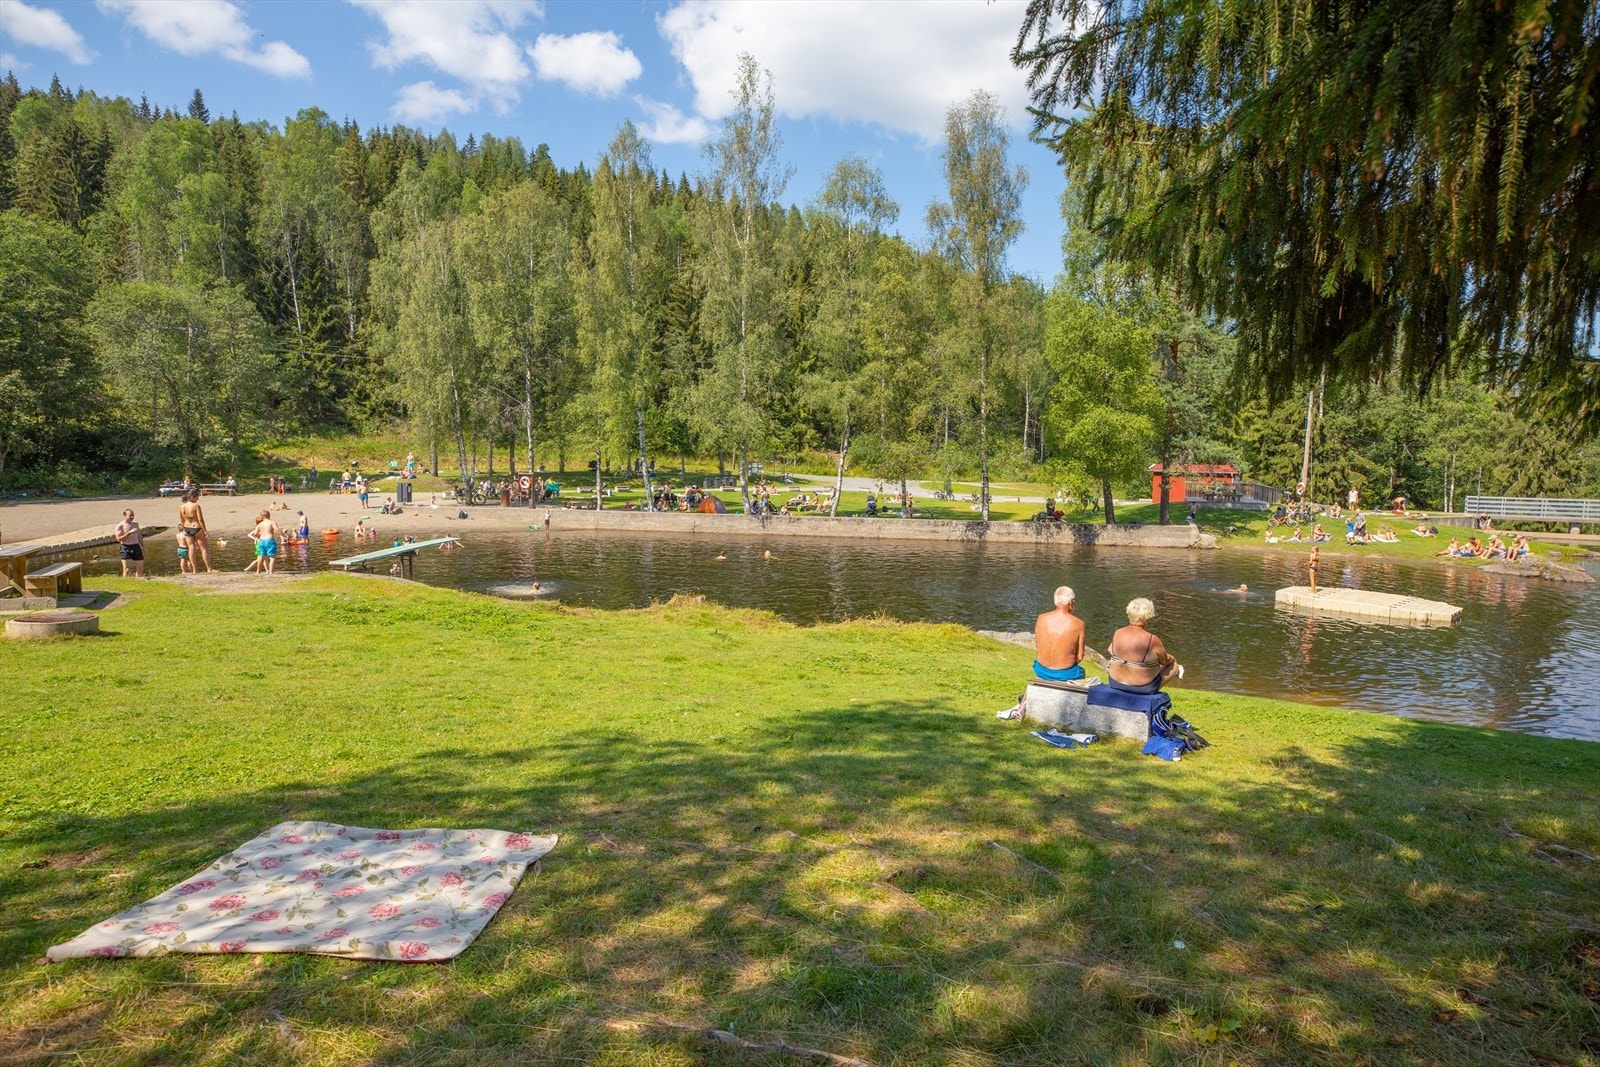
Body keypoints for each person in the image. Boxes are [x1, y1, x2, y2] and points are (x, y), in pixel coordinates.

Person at [1106, 598, 1182, 694]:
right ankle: (1149, 695)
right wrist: (1172, 658)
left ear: (1129, 613)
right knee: (1174, 665)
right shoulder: (1152, 639)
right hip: (1142, 688)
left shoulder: (1118, 633)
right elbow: (1165, 661)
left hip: (1115, 683)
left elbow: (1110, 650)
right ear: (1147, 618)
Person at [1033, 585, 1086, 682]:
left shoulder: (1041, 618)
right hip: (1066, 673)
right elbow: (1079, 657)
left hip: (1041, 670)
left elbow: (1038, 647)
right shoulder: (1079, 624)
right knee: (1081, 671)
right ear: (1070, 602)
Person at [177, 489, 213, 572]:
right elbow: (200, 519)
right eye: (197, 497)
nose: (198, 499)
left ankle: (195, 570)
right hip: (196, 527)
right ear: (192, 497)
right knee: (204, 549)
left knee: (191, 548)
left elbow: (182, 520)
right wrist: (205, 531)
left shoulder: (182, 507)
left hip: (186, 528)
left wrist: (185, 527)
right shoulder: (196, 506)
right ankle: (209, 568)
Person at [246, 510, 282, 574]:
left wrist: (258, 538)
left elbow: (255, 534)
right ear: (268, 515)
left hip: (262, 541)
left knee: (261, 557)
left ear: (262, 516)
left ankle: (258, 571)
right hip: (269, 540)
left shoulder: (260, 524)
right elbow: (277, 530)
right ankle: (271, 572)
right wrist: (284, 535)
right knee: (272, 558)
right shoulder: (271, 522)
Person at [113, 509, 145, 577]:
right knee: (126, 569)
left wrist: (143, 547)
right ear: (124, 515)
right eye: (130, 515)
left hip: (136, 546)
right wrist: (129, 533)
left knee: (140, 568)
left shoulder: (135, 524)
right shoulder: (120, 526)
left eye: (133, 515)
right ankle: (125, 583)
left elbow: (139, 536)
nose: (132, 517)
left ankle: (139, 582)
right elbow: (119, 539)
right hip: (126, 547)